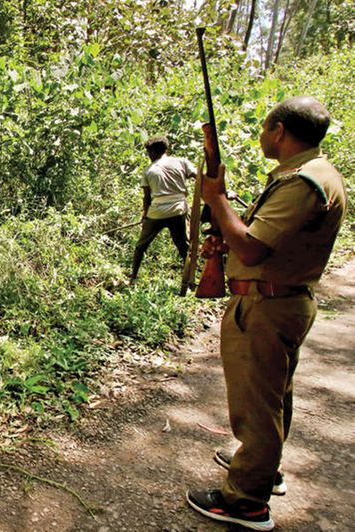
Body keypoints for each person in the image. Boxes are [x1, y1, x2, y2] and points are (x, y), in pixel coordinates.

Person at [186, 97, 347, 531]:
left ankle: (245, 501)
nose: (261, 136)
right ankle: (263, 467)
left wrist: (217, 198)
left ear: (279, 131)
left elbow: (253, 247)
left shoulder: (303, 182)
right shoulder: (315, 174)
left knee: (256, 404)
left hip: (267, 307)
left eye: (264, 129)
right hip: (279, 299)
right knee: (274, 395)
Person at [130, 136, 197, 280]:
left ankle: (132, 277)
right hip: (179, 210)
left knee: (141, 246)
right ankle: (191, 280)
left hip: (156, 213)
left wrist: (145, 215)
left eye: (149, 153)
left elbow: (147, 198)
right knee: (184, 248)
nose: (149, 156)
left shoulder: (148, 170)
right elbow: (200, 177)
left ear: (153, 152)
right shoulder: (181, 162)